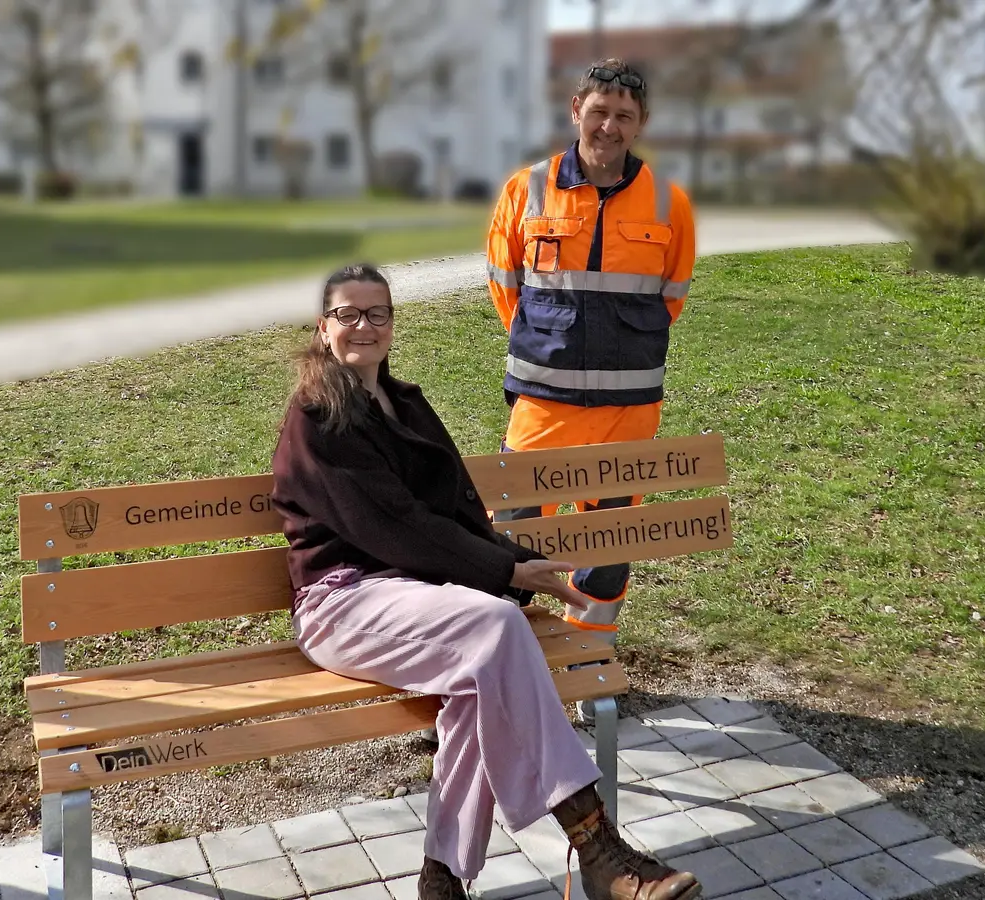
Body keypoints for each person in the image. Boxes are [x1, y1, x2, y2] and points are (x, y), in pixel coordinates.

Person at [270, 263, 703, 900]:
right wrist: (505, 574)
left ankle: (441, 880)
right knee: (497, 631)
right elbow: (396, 526)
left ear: (393, 323)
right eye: (348, 315)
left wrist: (517, 566)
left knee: (485, 684)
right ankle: (595, 844)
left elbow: (457, 513)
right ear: (323, 325)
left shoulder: (405, 403)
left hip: (421, 603)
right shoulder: (317, 416)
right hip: (342, 604)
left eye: (377, 314)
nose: (364, 326)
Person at [485, 58, 697, 642]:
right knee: (514, 525)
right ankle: (509, 655)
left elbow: (671, 294)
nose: (609, 126)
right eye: (599, 111)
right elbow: (505, 284)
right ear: (576, 110)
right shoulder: (527, 189)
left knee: (609, 538)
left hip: (628, 408)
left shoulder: (668, 203)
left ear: (641, 123)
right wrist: (547, 345)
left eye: (623, 116)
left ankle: (586, 654)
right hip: (543, 400)